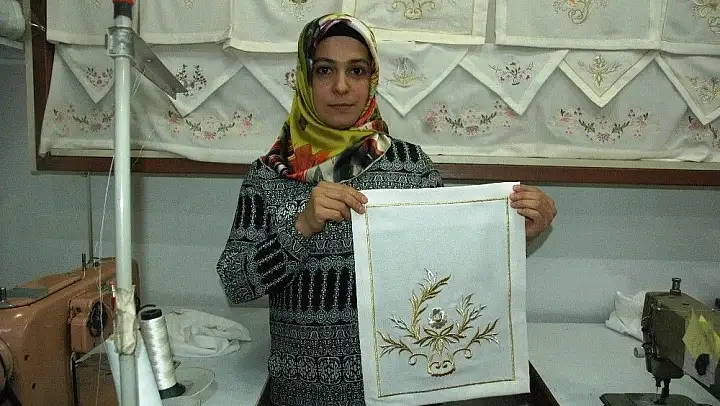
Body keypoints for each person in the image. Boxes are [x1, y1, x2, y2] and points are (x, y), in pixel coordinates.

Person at [216, 13, 557, 406]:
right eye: (324, 70)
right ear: (305, 79)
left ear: (372, 79)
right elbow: (234, 283)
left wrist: (516, 236)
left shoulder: (411, 167)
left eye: (356, 70)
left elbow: (449, 270)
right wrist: (301, 226)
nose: (341, 86)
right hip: (306, 394)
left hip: (404, 388)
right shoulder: (268, 175)